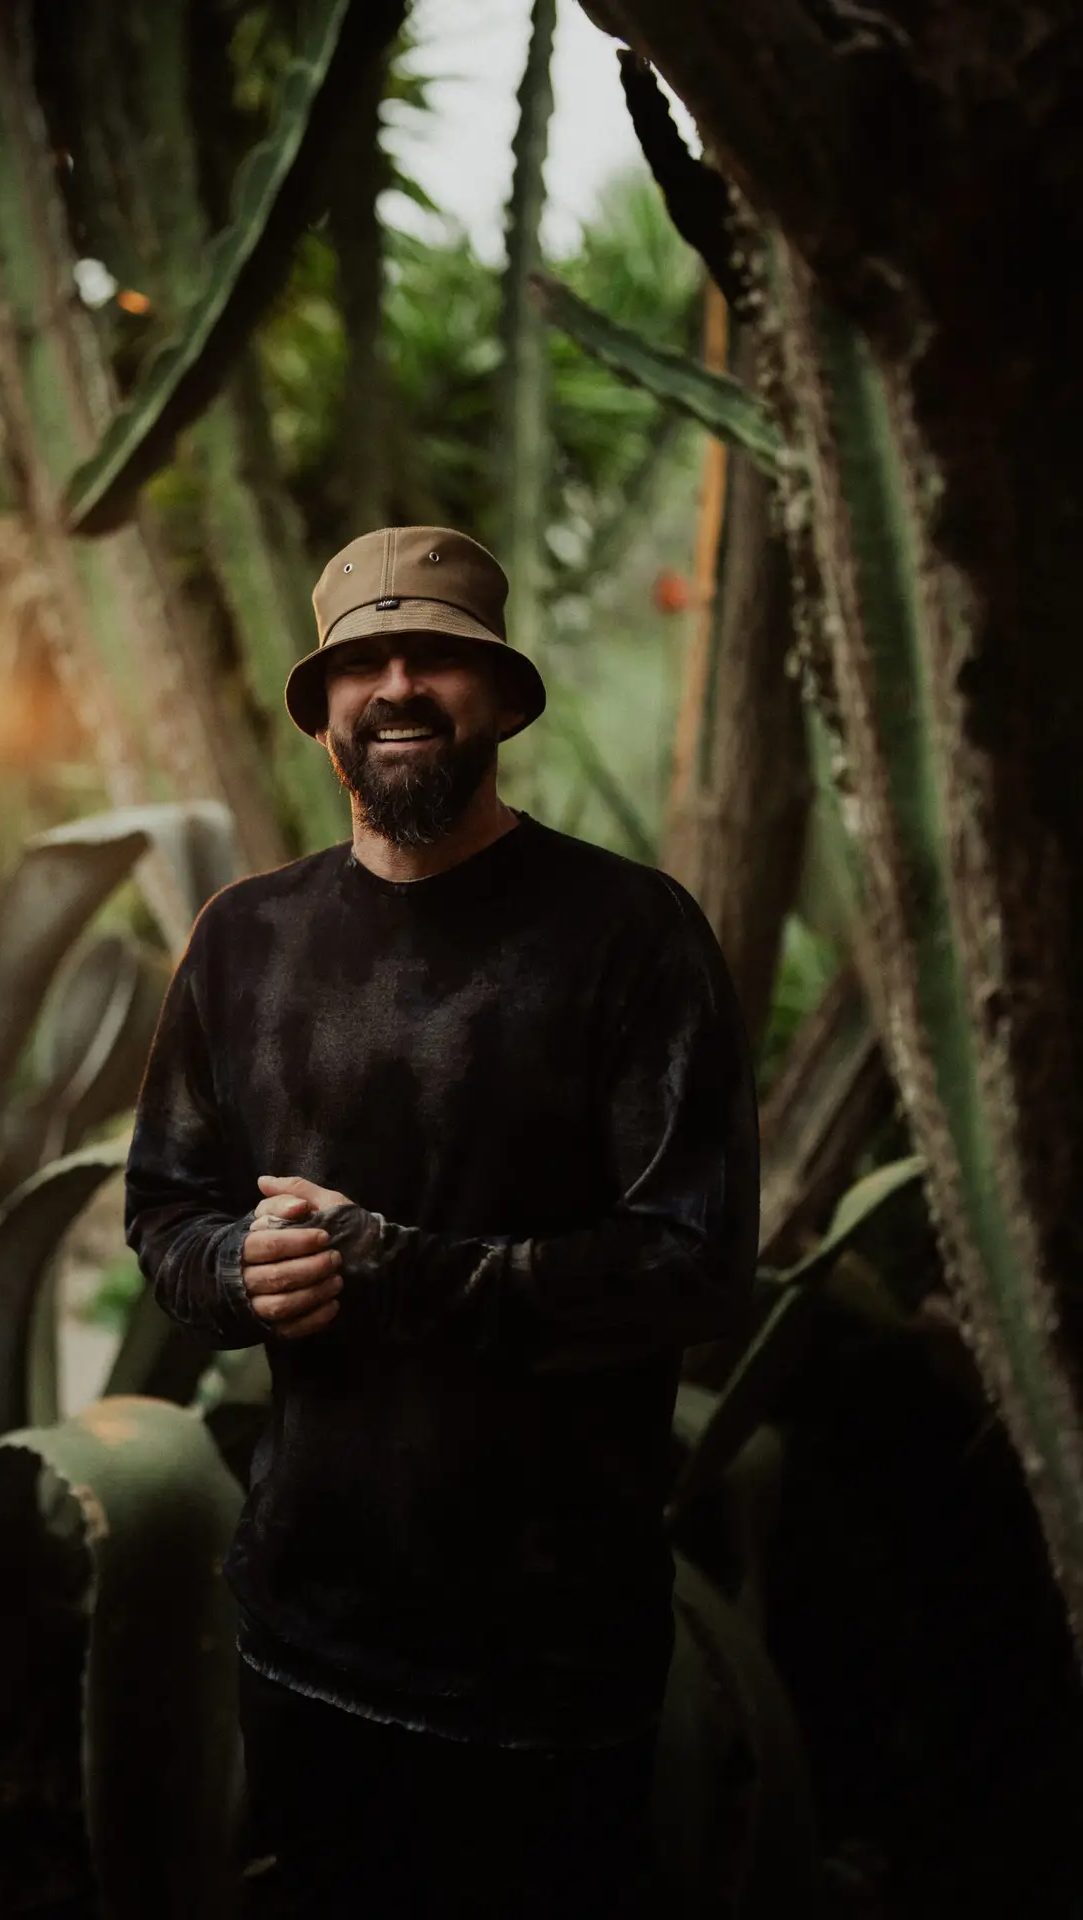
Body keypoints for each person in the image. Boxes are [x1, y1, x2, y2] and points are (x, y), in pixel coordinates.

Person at [124, 525, 759, 1918]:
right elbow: (165, 1211)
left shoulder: (630, 936)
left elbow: (695, 1263)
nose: (398, 683)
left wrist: (403, 1270)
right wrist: (236, 1267)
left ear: (504, 697)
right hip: (306, 1624)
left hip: (549, 1657)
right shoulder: (244, 939)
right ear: (325, 716)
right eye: (364, 660)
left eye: (437, 656)